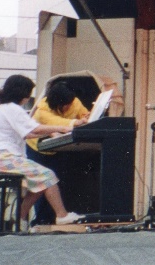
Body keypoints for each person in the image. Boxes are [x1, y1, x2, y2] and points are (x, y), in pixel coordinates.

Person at [0, 75, 82, 230]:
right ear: (23, 93)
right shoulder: (13, 109)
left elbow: (29, 133)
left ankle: (20, 217)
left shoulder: (6, 108)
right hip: (3, 157)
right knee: (48, 175)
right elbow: (34, 129)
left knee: (40, 182)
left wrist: (49, 133)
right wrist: (62, 128)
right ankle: (62, 216)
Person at [27, 81, 89, 225]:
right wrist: (76, 122)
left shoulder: (74, 102)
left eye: (69, 103)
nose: (68, 106)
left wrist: (87, 116)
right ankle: (41, 219)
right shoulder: (42, 110)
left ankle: (55, 216)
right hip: (37, 148)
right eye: (64, 104)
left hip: (58, 148)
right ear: (55, 103)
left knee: (57, 182)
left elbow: (84, 114)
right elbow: (57, 122)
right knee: (41, 184)